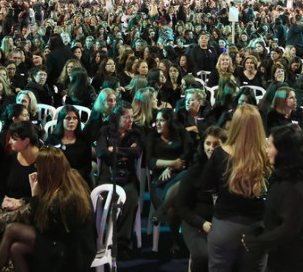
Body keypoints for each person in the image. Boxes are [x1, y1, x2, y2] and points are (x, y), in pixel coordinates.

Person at [0, 147, 95, 272]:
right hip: (67, 241)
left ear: (47, 170)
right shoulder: (70, 178)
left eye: (38, 168)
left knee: (12, 229)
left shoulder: (63, 197)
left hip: (70, 250)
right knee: (16, 248)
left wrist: (35, 195)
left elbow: (41, 225)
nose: (37, 171)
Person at [201, 105, 271, 272]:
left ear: (235, 125)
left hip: (224, 226)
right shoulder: (267, 155)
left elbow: (206, 186)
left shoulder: (219, 154)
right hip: (256, 227)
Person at [242, 125, 303, 272]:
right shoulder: (301, 173)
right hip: (295, 250)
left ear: (284, 151)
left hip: (295, 256)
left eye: (270, 146)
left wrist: (256, 242)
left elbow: (288, 229)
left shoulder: (292, 186)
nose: (266, 151)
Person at [0, 120, 40, 268]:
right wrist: (4, 201)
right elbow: (1, 189)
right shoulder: (10, 159)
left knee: (13, 236)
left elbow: (46, 196)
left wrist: (21, 202)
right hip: (9, 210)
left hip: (32, 211)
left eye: (14, 138)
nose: (8, 141)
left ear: (26, 141)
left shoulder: (42, 162)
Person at [96, 102, 143, 260]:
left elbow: (136, 152)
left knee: (131, 198)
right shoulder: (105, 131)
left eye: (132, 117)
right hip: (108, 176)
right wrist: (124, 153)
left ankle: (122, 244)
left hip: (128, 176)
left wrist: (115, 150)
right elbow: (102, 152)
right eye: (127, 117)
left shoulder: (134, 134)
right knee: (107, 197)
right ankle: (104, 238)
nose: (130, 120)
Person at [176, 126, 226, 272]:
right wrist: (202, 224)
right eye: (208, 143)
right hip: (196, 223)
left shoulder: (231, 170)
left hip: (223, 223)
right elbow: (181, 207)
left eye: (216, 144)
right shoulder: (195, 171)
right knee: (203, 255)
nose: (211, 148)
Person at [147, 106, 193, 255]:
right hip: (160, 180)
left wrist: (172, 169)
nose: (158, 124)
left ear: (169, 121)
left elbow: (188, 153)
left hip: (179, 177)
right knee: (173, 207)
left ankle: (161, 211)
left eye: (162, 120)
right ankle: (174, 240)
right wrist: (172, 164)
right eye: (156, 121)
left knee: (185, 177)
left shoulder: (181, 132)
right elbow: (150, 162)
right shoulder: (152, 137)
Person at [44, 104, 92, 183]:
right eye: (68, 118)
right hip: (56, 179)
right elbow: (46, 162)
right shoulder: (52, 139)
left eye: (75, 118)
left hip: (77, 180)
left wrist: (72, 176)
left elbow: (87, 168)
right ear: (61, 120)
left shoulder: (84, 140)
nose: (72, 121)